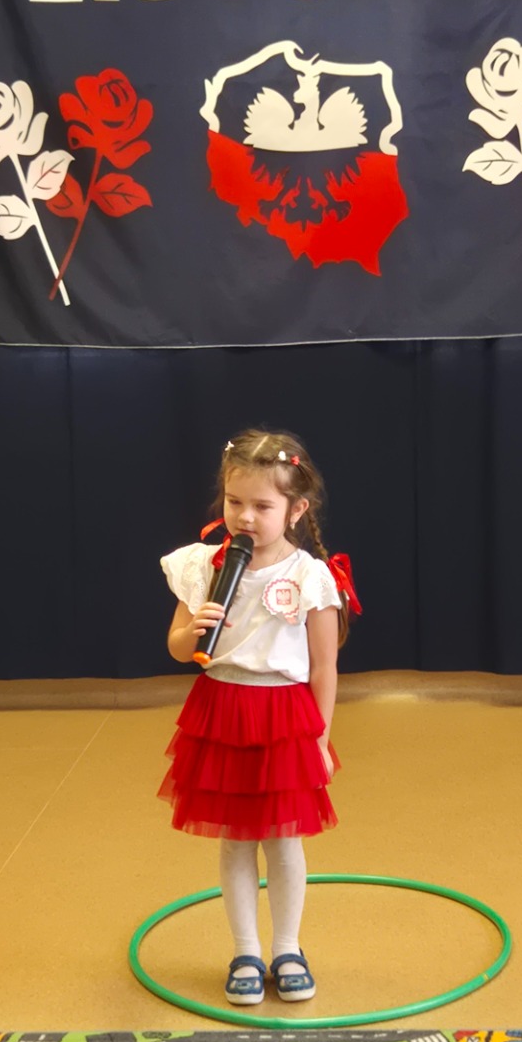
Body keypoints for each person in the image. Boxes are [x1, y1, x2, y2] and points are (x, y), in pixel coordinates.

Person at [159, 430, 359, 1006]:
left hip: (284, 717)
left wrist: (320, 739)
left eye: (262, 506)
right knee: (235, 841)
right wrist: (192, 630)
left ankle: (287, 948)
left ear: (296, 510)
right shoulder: (204, 565)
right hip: (222, 710)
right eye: (234, 502)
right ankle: (245, 951)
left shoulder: (309, 576)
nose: (245, 517)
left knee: (284, 841)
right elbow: (177, 646)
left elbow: (324, 667)